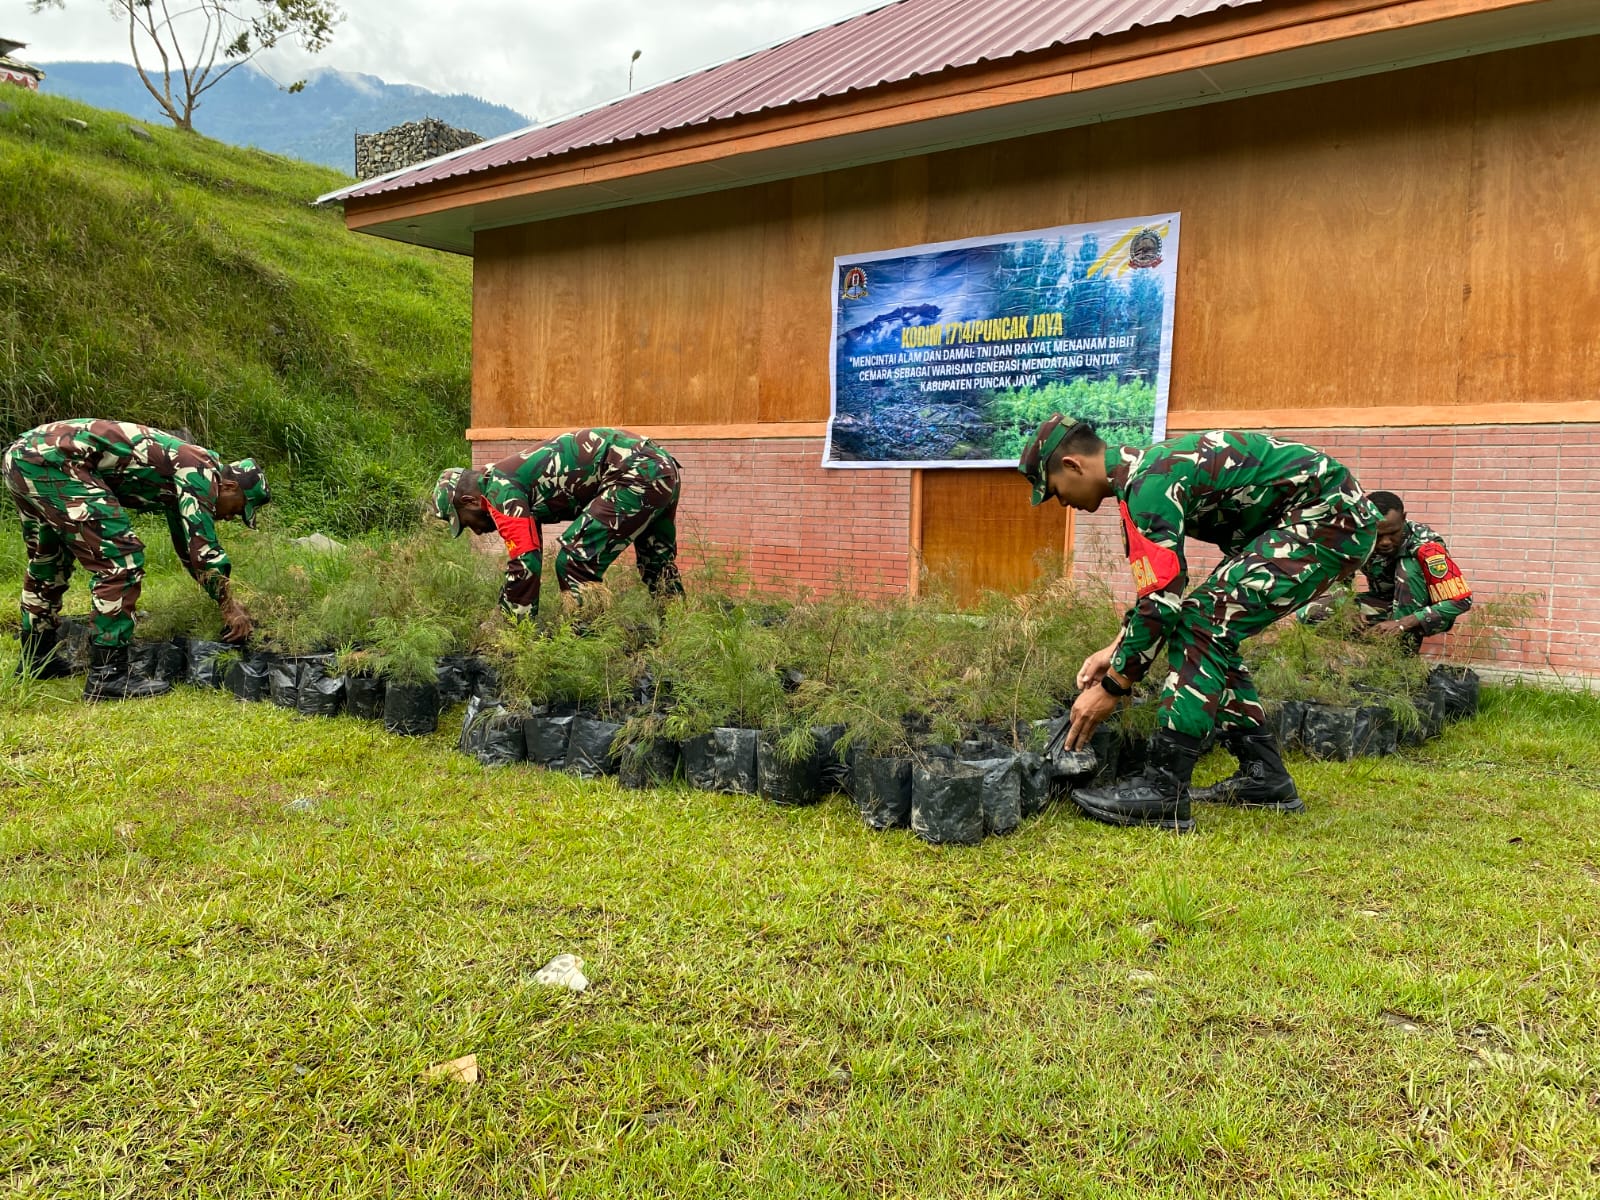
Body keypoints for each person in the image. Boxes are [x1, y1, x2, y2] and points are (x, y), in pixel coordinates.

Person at [1019, 417, 1379, 831]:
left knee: (1202, 623)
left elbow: (1163, 603)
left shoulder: (1149, 484)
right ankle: (1264, 777)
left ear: (1073, 465)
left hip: (1329, 520)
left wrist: (1113, 686)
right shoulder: (1141, 479)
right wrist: (1116, 649)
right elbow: (1159, 591)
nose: (1062, 503)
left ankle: (1164, 789)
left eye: (1055, 490)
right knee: (1210, 625)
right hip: (1308, 522)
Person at [4, 418, 269, 700]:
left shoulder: (189, 469)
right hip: (56, 459)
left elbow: (189, 547)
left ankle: (37, 658)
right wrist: (228, 606)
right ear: (229, 486)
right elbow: (205, 550)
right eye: (237, 509)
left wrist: (222, 598)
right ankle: (108, 676)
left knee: (49, 560)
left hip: (25, 456)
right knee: (120, 559)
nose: (230, 517)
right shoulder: (201, 472)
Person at [433, 427, 683, 620]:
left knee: (574, 561)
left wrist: (508, 626)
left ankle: (586, 644)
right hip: (659, 466)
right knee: (657, 561)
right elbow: (530, 555)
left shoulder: (499, 490)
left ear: (470, 501)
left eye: (466, 522)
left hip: (634, 471)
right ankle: (677, 627)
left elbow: (525, 563)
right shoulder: (508, 481)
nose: (476, 531)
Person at [1352, 490, 1472, 653]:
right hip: (1384, 603)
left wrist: (1402, 624)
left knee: (1408, 566)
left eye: (1393, 533)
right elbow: (1338, 579)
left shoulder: (1427, 547)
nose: (1385, 542)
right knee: (1321, 608)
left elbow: (1462, 600)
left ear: (1403, 518)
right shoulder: (1357, 538)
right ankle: (1357, 652)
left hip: (1424, 613)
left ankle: (1400, 655)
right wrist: (1347, 608)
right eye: (1378, 535)